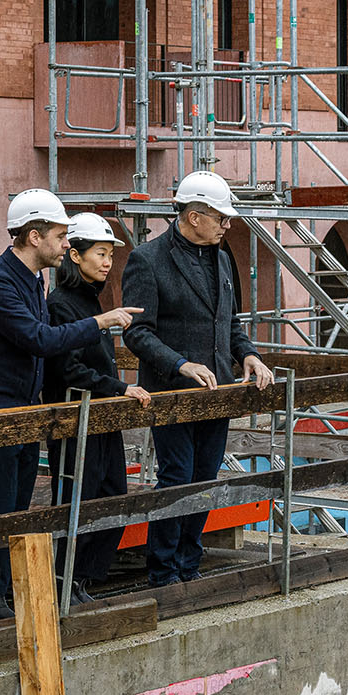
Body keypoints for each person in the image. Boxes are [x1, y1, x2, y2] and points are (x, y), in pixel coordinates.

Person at [0, 189, 142, 629]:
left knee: (13, 509)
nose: (65, 242)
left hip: (21, 415)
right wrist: (100, 323)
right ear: (34, 236)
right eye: (59, 234)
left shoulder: (33, 281)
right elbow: (38, 339)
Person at [120, 170, 274, 587]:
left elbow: (230, 322)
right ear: (192, 216)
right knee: (177, 477)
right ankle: (164, 570)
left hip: (216, 393)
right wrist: (180, 364)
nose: (227, 225)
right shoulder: (147, 260)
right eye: (221, 218)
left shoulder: (222, 258)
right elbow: (135, 331)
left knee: (204, 477)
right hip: (170, 393)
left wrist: (250, 355)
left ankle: (189, 563)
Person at [43, 213, 151, 603]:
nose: (107, 262)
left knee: (112, 498)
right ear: (75, 255)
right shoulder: (61, 306)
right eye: (100, 253)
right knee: (78, 501)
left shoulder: (92, 301)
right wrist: (119, 387)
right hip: (75, 420)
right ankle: (62, 582)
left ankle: (81, 580)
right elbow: (67, 368)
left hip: (102, 419)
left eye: (109, 254)